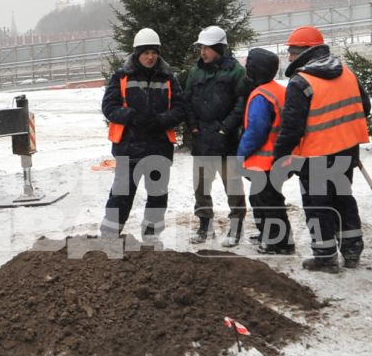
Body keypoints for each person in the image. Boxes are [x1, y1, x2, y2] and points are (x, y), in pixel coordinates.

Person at [271, 25, 372, 272]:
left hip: (315, 156)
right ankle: (351, 250)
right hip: (347, 151)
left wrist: (280, 156)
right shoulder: (347, 72)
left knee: (317, 206)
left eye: (292, 52)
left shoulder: (300, 82)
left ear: (305, 52)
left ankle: (325, 256)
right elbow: (365, 106)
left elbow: (291, 127)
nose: (289, 57)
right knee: (343, 198)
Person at [101, 27, 184, 243]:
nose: (150, 57)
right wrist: (130, 117)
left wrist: (161, 121)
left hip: (158, 147)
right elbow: (109, 106)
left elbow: (180, 108)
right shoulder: (121, 77)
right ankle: (109, 236)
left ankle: (151, 238)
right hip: (129, 148)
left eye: (154, 52)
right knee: (121, 195)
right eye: (146, 52)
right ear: (137, 53)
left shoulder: (168, 78)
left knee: (157, 196)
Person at [181, 24, 249, 244]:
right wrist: (193, 126)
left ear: (220, 48)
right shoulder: (195, 72)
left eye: (207, 48)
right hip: (202, 138)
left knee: (233, 186)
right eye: (201, 47)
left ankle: (236, 227)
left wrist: (225, 128)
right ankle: (204, 226)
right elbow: (187, 100)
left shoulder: (236, 71)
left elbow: (241, 103)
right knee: (201, 186)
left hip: (226, 140)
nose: (203, 52)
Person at [235, 46, 294, 254]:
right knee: (263, 198)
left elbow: (256, 131)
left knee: (269, 201)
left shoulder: (261, 95)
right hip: (279, 158)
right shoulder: (278, 90)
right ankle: (266, 234)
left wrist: (241, 153)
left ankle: (280, 242)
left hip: (265, 160)